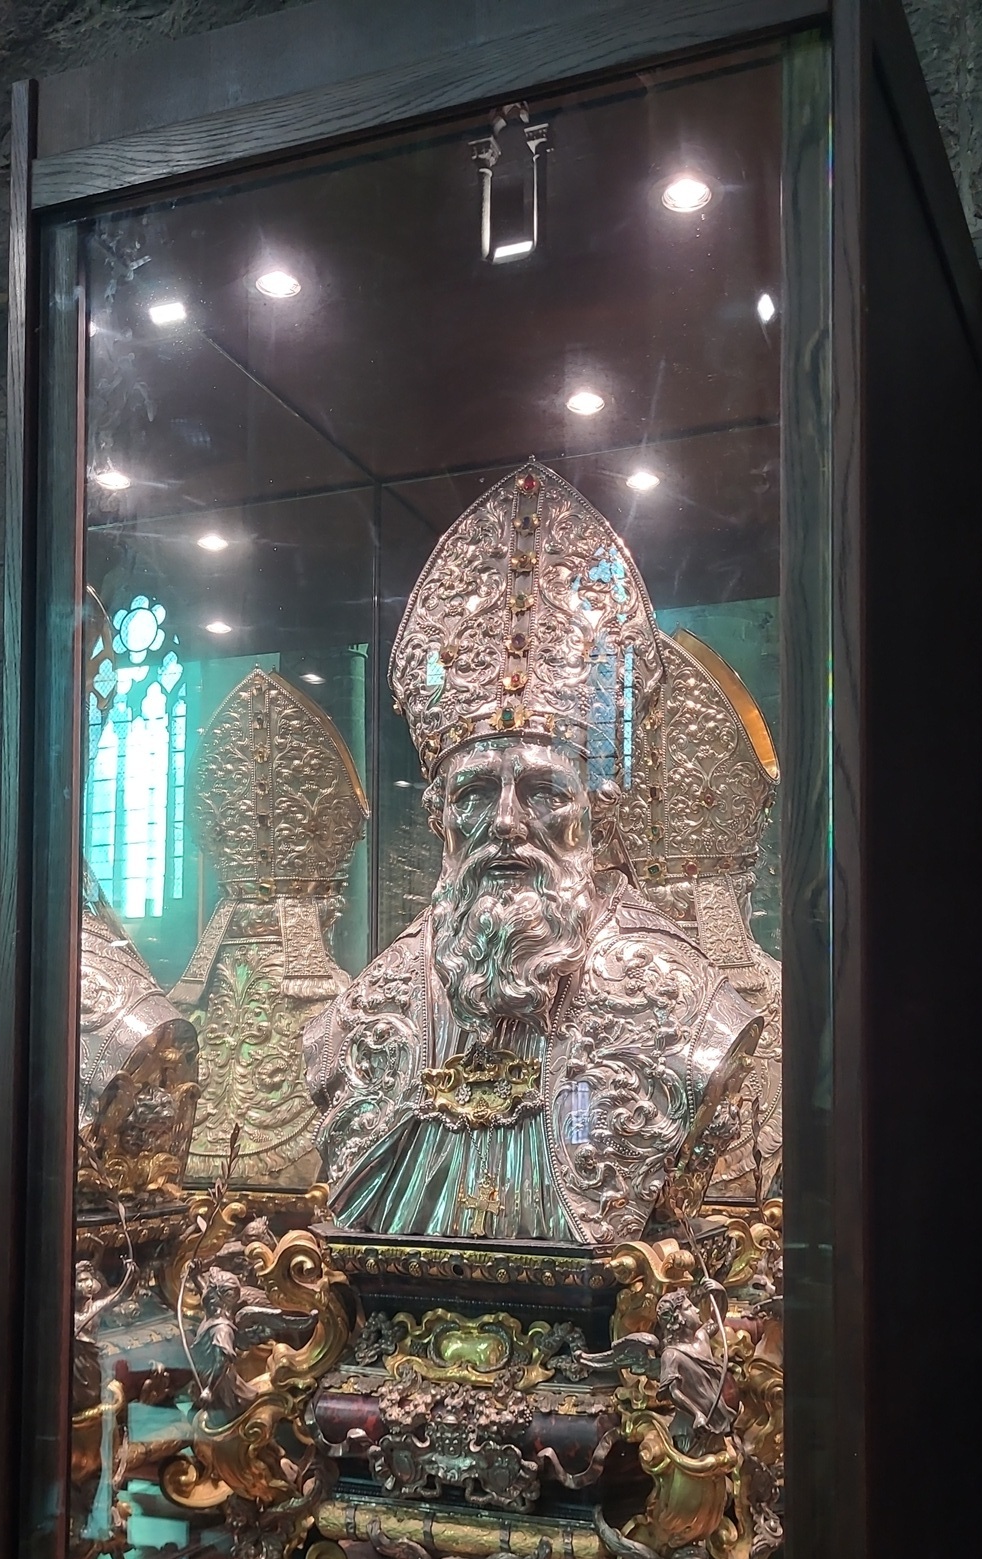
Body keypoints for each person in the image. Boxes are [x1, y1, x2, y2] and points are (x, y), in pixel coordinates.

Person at [305, 464, 761, 1247]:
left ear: (596, 812)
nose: (508, 823)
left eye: (545, 791)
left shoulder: (682, 1005)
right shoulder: (362, 1013)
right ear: (438, 816)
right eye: (476, 792)